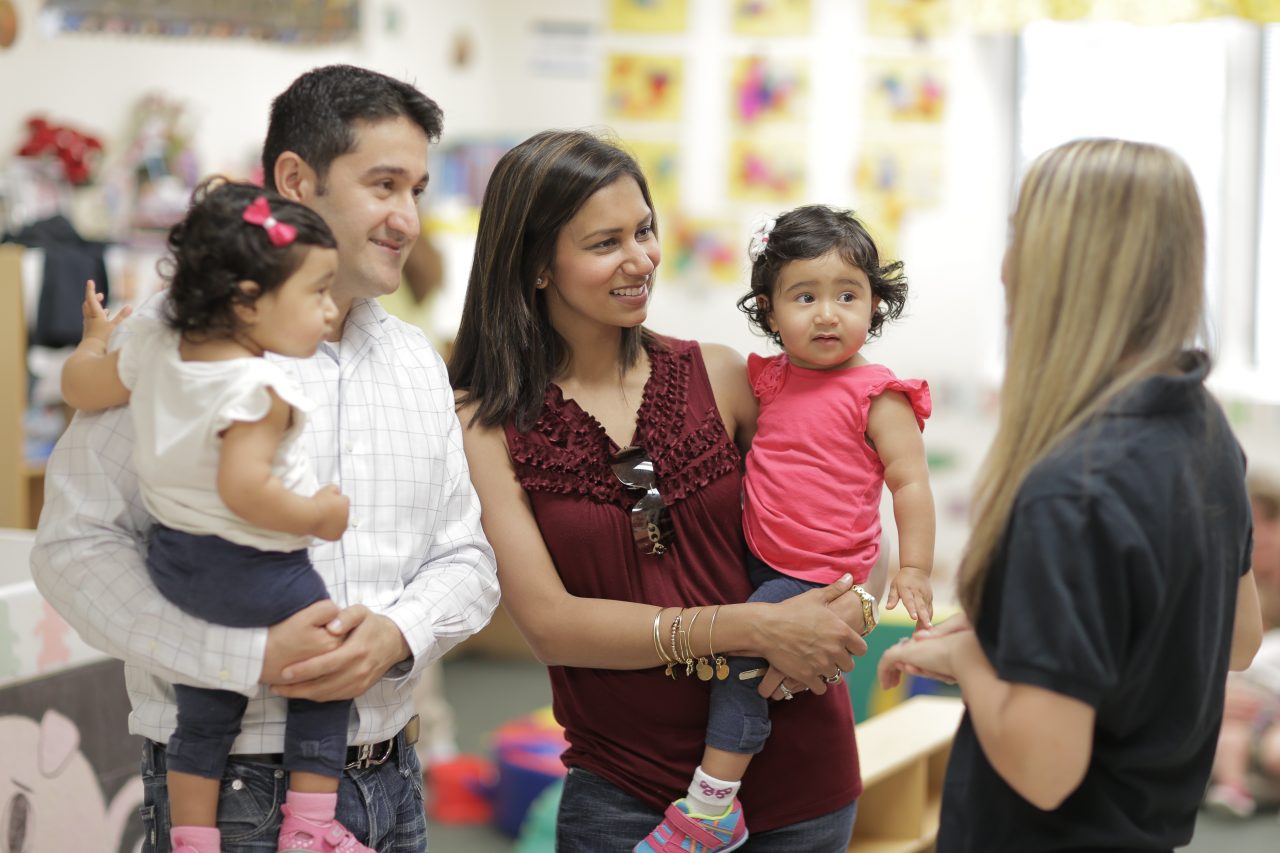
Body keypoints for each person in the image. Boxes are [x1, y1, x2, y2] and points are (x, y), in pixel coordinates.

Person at [32, 64, 500, 853]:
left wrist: (396, 632)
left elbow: (467, 557)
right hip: (233, 791)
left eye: (417, 190)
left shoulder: (415, 360)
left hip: (394, 781)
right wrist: (245, 655)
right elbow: (73, 550)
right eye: (384, 185)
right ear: (295, 180)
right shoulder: (185, 346)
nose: (409, 218)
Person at [449, 129, 873, 853]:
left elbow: (855, 506)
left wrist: (852, 607)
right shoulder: (484, 423)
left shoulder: (726, 375)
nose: (641, 258)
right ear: (537, 264)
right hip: (625, 793)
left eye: (644, 229)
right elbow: (551, 622)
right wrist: (753, 627)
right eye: (605, 241)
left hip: (799, 777)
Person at [876, 138, 1264, 852]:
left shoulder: (1071, 490)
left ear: (1065, 266)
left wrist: (968, 663)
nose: (1003, 267)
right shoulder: (1203, 426)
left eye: (1020, 237)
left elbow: (1046, 768)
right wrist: (1006, 640)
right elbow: (1232, 639)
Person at [60, 180, 370, 853]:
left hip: (177, 564)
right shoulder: (261, 390)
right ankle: (311, 829)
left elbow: (81, 386)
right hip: (259, 571)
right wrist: (318, 513)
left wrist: (92, 340)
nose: (327, 309)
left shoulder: (154, 350)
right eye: (317, 292)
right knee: (326, 669)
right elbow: (245, 489)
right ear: (247, 299)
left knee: (203, 710)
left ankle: (193, 838)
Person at [637, 205, 935, 851]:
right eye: (805, 296)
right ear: (771, 311)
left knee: (742, 661)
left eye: (847, 295)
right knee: (714, 634)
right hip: (755, 555)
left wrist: (912, 567)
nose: (827, 313)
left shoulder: (879, 394)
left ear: (874, 305)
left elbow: (910, 483)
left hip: (814, 578)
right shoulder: (769, 380)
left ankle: (712, 808)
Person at [1204, 473, 1280, 818]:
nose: (1260, 537)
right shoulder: (1214, 593)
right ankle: (1234, 787)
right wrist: (1211, 697)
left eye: (1272, 521)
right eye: (1251, 524)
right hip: (1226, 727)